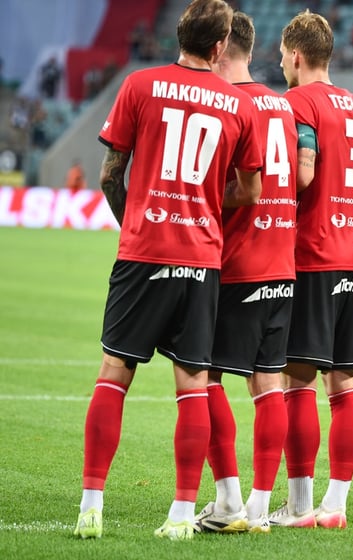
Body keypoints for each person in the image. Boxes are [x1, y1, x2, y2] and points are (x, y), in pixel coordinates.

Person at [73, 0, 264, 541]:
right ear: (220, 45)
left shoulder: (138, 85)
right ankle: (181, 516)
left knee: (114, 374)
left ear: (179, 35)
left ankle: (91, 506)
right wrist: (205, 202)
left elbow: (112, 173)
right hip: (200, 258)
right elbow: (250, 190)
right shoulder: (237, 104)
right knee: (195, 384)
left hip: (143, 251)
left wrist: (134, 222)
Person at [193, 11, 314, 535]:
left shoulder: (227, 104)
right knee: (268, 385)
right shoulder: (283, 107)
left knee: (205, 378)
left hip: (237, 262)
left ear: (218, 51)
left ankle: (227, 503)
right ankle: (262, 508)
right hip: (282, 263)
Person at [269, 9, 353, 530]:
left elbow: (303, 173)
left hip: (310, 256)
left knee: (297, 384)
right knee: (345, 385)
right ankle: (335, 505)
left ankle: (298, 505)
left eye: (283, 58)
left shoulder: (298, 101)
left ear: (295, 55)